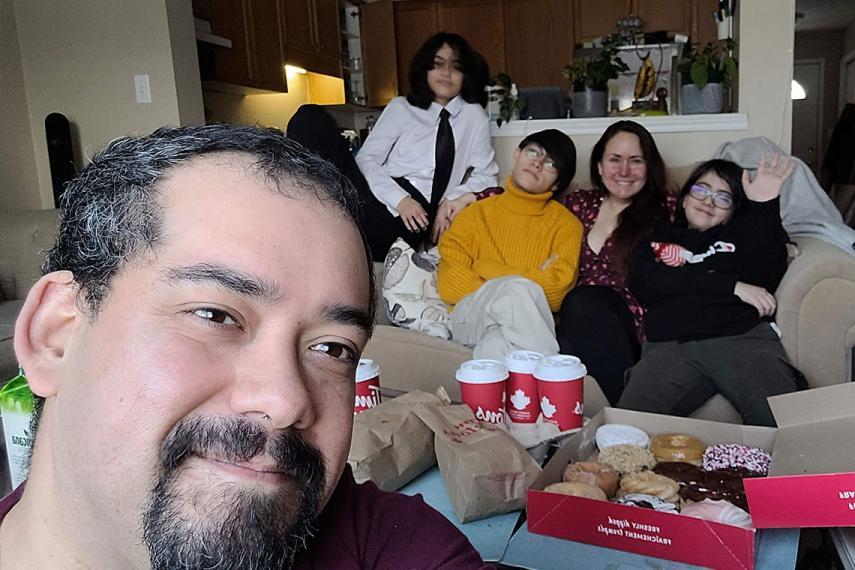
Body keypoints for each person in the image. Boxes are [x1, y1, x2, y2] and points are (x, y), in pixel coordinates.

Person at [0, 124, 490, 569]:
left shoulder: (393, 548)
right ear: (55, 336)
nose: (286, 402)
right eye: (215, 316)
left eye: (333, 349)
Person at [618, 156, 806, 426]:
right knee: (624, 429)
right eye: (701, 190)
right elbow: (646, 284)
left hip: (742, 340)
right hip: (672, 345)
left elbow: (768, 272)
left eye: (723, 198)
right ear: (684, 198)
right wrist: (730, 286)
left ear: (732, 211)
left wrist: (763, 205)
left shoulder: (740, 238)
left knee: (781, 425)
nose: (708, 201)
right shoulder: (658, 240)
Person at [437, 129, 583, 360]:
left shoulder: (566, 225)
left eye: (550, 164)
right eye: (533, 152)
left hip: (519, 327)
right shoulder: (475, 214)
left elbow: (556, 294)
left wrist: (485, 267)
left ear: (558, 184)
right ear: (517, 154)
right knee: (519, 290)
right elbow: (450, 285)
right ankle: (553, 381)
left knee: (495, 346)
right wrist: (523, 281)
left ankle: (489, 395)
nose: (537, 163)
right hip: (469, 317)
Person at [555, 120, 673, 405]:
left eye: (635, 161)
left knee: (583, 301)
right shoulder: (578, 204)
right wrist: (468, 197)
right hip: (575, 321)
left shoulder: (666, 209)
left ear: (649, 167)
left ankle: (629, 413)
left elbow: (717, 228)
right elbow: (524, 206)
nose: (624, 171)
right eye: (615, 160)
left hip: (631, 325)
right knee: (557, 344)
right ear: (598, 165)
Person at [355, 32, 499, 258]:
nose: (446, 73)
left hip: (416, 214)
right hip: (380, 191)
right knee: (310, 118)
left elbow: (487, 176)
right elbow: (366, 159)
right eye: (438, 64)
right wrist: (400, 199)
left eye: (456, 67)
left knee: (366, 234)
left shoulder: (474, 116)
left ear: (466, 74)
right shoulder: (401, 107)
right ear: (425, 69)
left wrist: (452, 200)